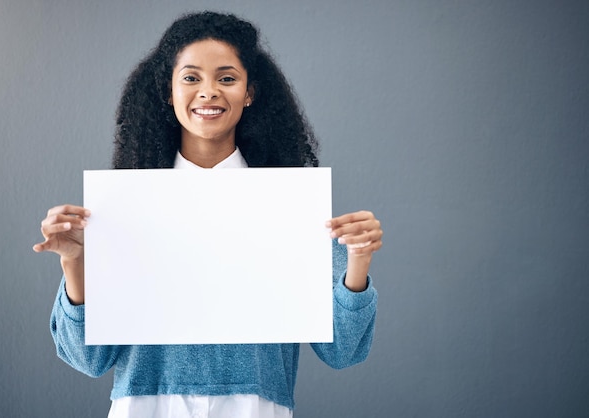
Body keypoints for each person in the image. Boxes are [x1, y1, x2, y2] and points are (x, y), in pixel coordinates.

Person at [33, 11, 383, 418]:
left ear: (250, 92)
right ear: (168, 91)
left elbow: (343, 351)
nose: (208, 91)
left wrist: (357, 261)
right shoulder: (125, 209)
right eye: (191, 77)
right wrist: (74, 262)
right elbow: (87, 360)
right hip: (146, 404)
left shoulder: (291, 207)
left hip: (255, 405)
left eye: (227, 78)